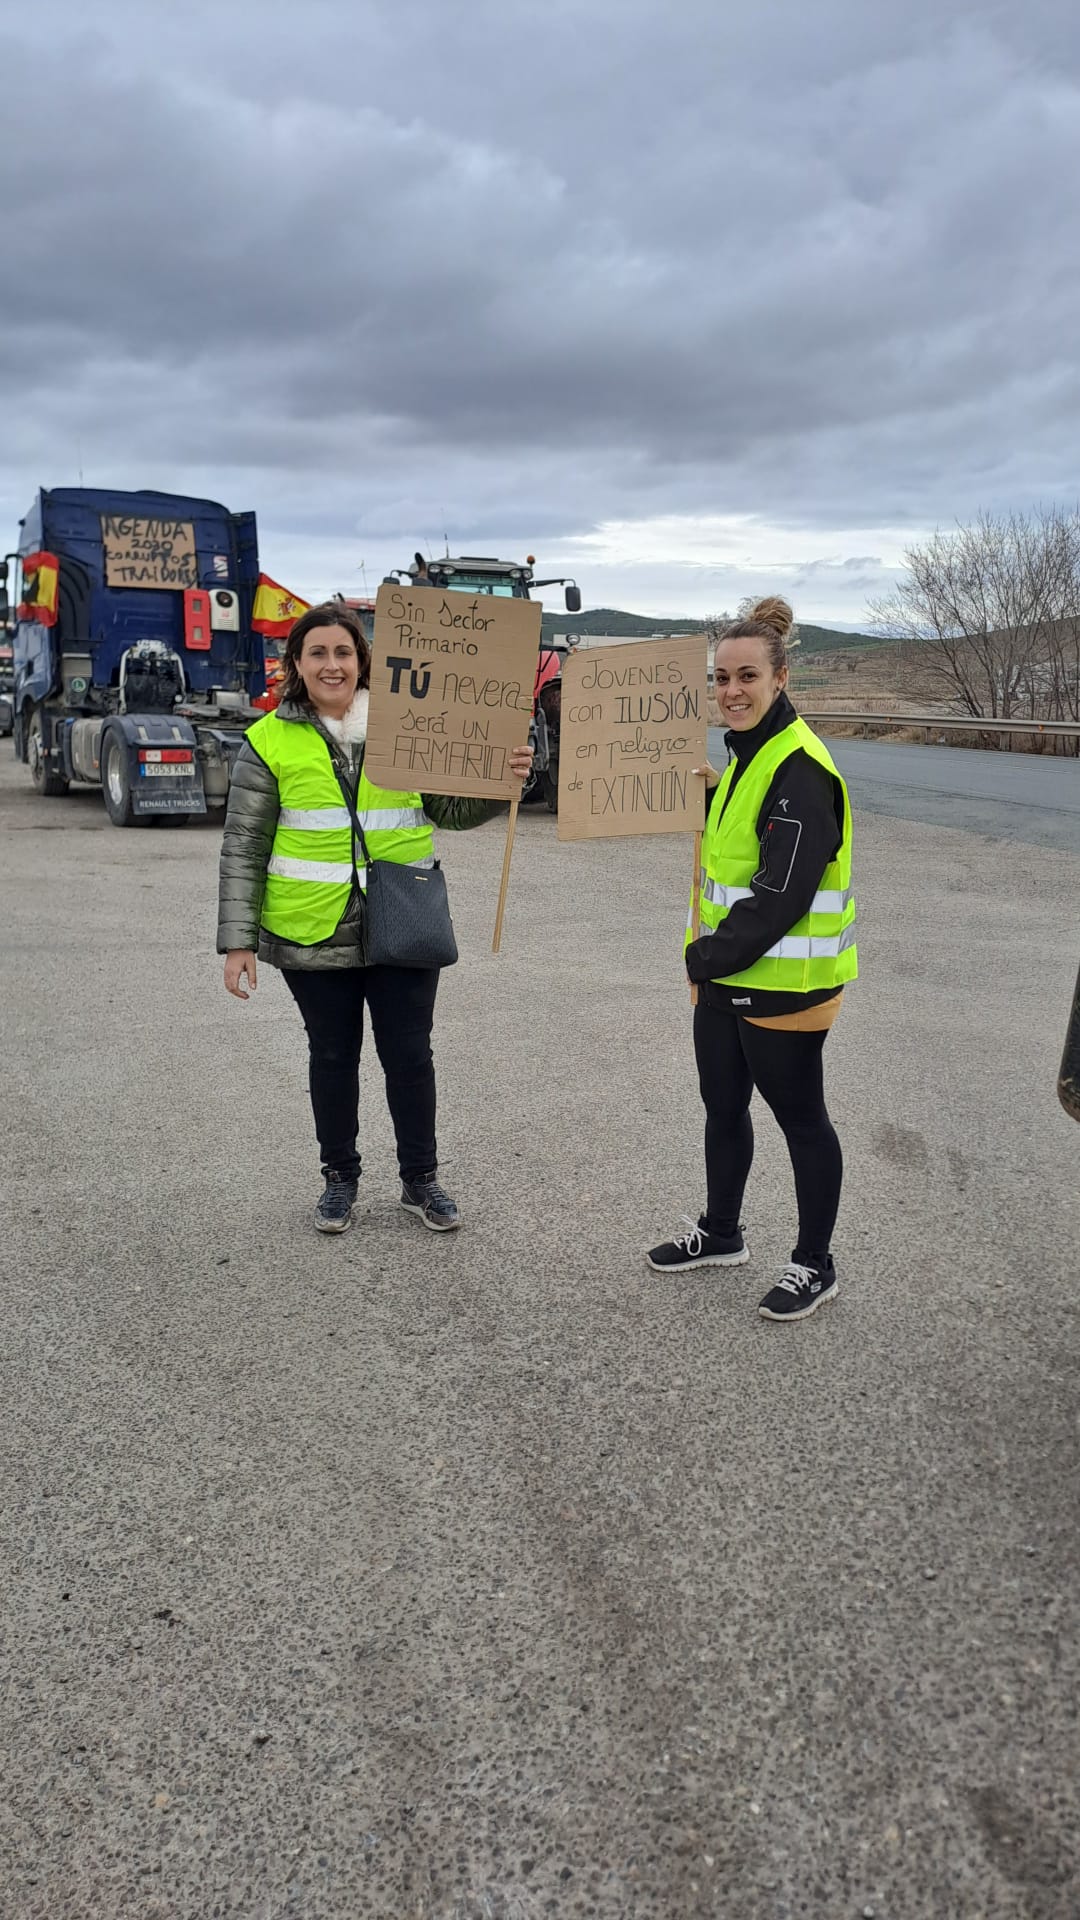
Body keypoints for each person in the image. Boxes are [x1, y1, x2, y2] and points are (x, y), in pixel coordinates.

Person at [217, 602, 533, 1235]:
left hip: (404, 917)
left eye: (343, 652)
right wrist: (238, 942)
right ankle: (340, 1179)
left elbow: (448, 808)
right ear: (297, 665)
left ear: (363, 660)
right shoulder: (268, 740)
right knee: (332, 1057)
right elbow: (245, 844)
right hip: (311, 927)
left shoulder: (407, 723)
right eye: (318, 654)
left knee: (410, 1056)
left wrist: (501, 783)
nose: (332, 665)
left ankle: (421, 1180)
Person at [648, 597, 858, 1321]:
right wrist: (708, 791)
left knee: (803, 1121)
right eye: (720, 678)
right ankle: (722, 1231)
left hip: (784, 985)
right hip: (722, 978)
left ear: (780, 677)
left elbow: (779, 898)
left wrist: (704, 956)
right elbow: (736, 856)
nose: (730, 691)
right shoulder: (747, 755)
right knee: (722, 1106)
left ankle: (814, 1264)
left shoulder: (799, 767)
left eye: (746, 677)